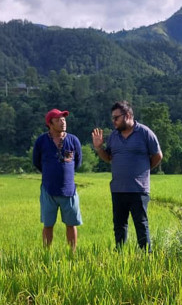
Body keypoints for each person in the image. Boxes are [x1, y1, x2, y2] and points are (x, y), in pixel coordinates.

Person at [92, 101, 163, 251]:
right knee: (119, 224)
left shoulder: (144, 133)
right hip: (118, 188)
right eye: (113, 118)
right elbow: (109, 157)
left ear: (128, 115)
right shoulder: (113, 136)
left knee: (141, 223)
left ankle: (146, 256)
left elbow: (157, 156)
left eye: (116, 118)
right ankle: (120, 255)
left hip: (139, 189)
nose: (114, 121)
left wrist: (145, 169)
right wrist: (99, 148)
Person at [33, 108, 83, 251]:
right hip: (49, 190)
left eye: (64, 119)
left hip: (69, 190)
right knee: (48, 224)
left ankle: (72, 253)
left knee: (71, 224)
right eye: (59, 120)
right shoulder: (41, 141)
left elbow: (77, 162)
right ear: (50, 123)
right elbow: (36, 162)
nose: (63, 122)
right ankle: (46, 253)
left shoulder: (73, 140)